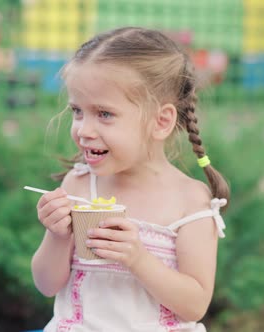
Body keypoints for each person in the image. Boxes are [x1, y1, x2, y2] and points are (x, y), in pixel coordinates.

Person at [31, 26, 230, 332]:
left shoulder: (189, 200)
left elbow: (195, 304)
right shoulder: (79, 185)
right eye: (77, 111)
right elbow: (46, 284)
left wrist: (137, 258)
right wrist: (57, 236)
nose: (83, 129)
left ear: (161, 121)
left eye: (104, 114)